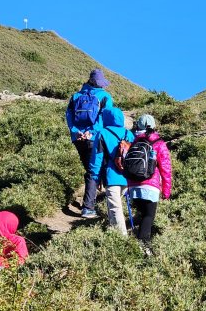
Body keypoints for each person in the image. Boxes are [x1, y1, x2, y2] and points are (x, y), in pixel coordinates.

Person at [65, 69, 114, 218]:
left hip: (78, 139)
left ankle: (93, 202)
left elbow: (69, 116)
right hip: (95, 139)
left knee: (90, 169)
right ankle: (89, 207)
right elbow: (107, 119)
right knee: (98, 170)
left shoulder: (76, 96)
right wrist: (92, 133)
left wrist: (76, 131)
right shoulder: (105, 97)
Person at [125, 114, 173, 256]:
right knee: (148, 216)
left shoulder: (132, 141)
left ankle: (136, 240)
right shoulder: (158, 142)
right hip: (150, 185)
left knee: (141, 213)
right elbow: (165, 168)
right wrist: (166, 190)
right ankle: (143, 246)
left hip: (133, 185)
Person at [88, 106, 133, 234]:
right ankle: (114, 230)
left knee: (115, 207)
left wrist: (95, 178)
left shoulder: (102, 133)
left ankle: (121, 237)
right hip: (128, 176)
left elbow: (97, 159)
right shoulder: (128, 133)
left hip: (111, 176)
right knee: (118, 206)